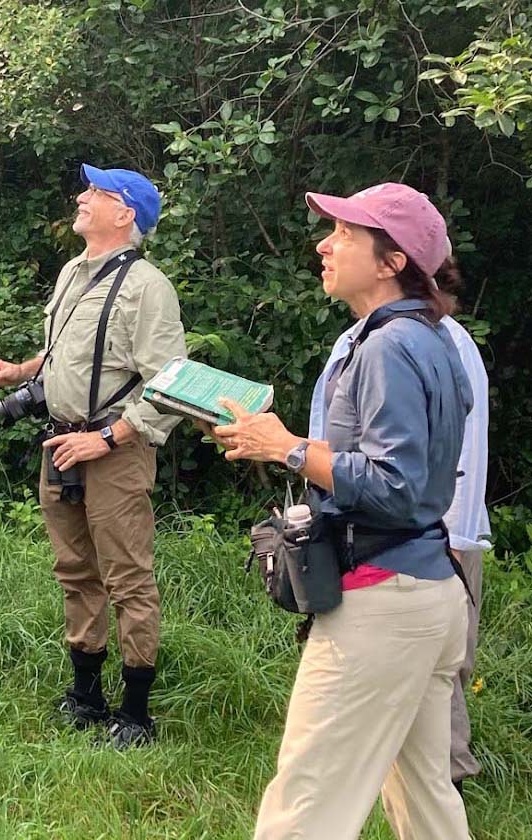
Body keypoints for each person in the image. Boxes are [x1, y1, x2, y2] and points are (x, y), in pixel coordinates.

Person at [210, 183, 472, 839]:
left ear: (392, 262)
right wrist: (278, 445)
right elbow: (390, 465)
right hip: (429, 592)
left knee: (306, 807)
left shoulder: (386, 347)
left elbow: (394, 485)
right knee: (425, 801)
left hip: (382, 604)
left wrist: (290, 448)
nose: (323, 245)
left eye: (344, 236)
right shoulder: (432, 338)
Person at [0, 164, 186, 748]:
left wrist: (108, 438)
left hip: (113, 450)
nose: (81, 197)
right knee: (75, 572)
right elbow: (61, 358)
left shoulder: (149, 287)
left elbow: (169, 385)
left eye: (95, 193)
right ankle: (87, 696)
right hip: (60, 443)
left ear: (125, 215)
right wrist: (19, 372)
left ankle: (137, 712)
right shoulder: (73, 272)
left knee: (127, 577)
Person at [309, 301, 490, 792]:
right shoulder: (356, 338)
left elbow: (461, 449)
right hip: (369, 539)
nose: (324, 248)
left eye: (346, 235)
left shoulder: (435, 340)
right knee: (417, 772)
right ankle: (423, 782)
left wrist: (452, 534)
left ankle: (453, 770)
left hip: (429, 539)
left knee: (440, 676)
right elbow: (335, 438)